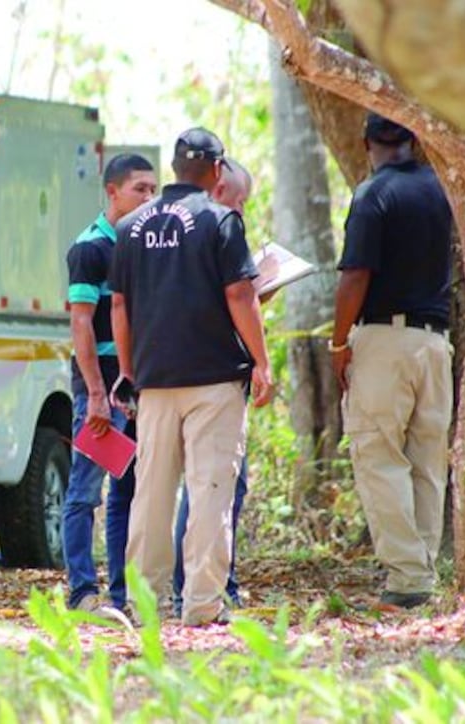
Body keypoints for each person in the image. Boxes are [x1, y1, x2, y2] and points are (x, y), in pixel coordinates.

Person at [110, 129, 273, 627]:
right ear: (217, 171)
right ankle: (202, 604)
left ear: (175, 169)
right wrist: (261, 361)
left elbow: (119, 304)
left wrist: (128, 369)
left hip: (156, 381)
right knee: (209, 490)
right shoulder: (221, 220)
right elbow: (240, 296)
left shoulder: (132, 226)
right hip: (214, 381)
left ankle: (143, 602)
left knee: (152, 492)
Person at [328, 112, 453, 610]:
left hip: (384, 339)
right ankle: (421, 571)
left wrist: (339, 343)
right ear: (415, 137)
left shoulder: (372, 194)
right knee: (426, 460)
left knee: (380, 457)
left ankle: (406, 580)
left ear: (366, 143)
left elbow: (355, 275)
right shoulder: (442, 189)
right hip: (435, 343)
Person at [63, 153, 158, 613]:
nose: (148, 197)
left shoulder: (141, 244)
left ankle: (123, 594)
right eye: (140, 188)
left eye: (153, 190)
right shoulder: (90, 249)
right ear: (113, 191)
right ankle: (82, 590)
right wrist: (97, 395)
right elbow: (81, 323)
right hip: (100, 392)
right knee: (85, 491)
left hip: (135, 388)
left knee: (131, 492)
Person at [171, 157, 255, 616]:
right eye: (237, 199)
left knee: (221, 486)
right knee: (206, 488)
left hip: (217, 379)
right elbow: (231, 299)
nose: (240, 210)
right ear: (217, 186)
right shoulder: (208, 232)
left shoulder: (221, 232)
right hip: (204, 380)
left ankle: (214, 582)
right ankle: (196, 586)